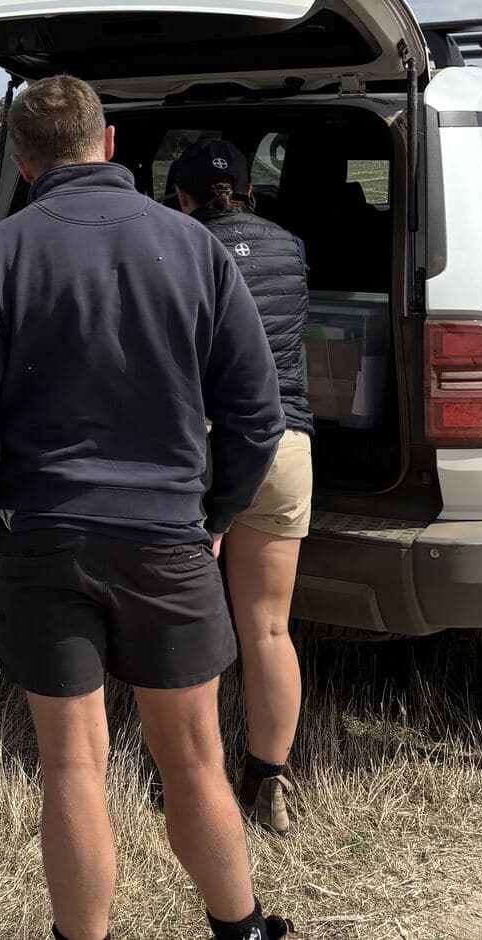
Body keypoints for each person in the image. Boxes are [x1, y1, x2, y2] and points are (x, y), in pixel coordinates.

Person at [0, 77, 291, 940]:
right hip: (167, 535)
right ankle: (239, 932)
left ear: (20, 162)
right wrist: (214, 514)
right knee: (197, 758)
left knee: (71, 766)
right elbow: (258, 415)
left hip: (41, 538)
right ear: (112, 142)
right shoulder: (196, 249)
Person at [169, 140, 314, 837]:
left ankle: (192, 782)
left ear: (181, 197)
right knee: (269, 626)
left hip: (199, 447)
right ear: (251, 190)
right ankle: (267, 781)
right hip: (284, 446)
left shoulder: (177, 248)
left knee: (188, 625)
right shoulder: (290, 247)